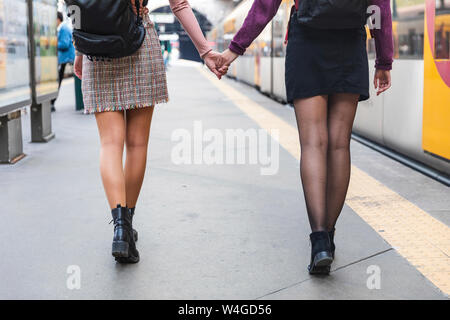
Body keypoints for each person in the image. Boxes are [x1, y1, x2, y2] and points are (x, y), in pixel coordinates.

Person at [218, 0, 393, 274]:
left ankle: (319, 239)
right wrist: (384, 59)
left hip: (307, 40)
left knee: (313, 143)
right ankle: (329, 236)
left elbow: (266, 4)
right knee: (338, 145)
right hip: (350, 41)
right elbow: (379, 5)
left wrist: (234, 50)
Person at [73, 0, 227, 264]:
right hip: (139, 40)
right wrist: (204, 51)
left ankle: (120, 228)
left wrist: (80, 51)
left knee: (110, 144)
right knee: (136, 145)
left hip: (95, 51)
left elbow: (82, 10)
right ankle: (126, 228)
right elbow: (179, 5)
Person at [52, 11, 75, 112]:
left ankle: (52, 101)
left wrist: (53, 43)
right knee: (58, 79)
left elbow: (65, 44)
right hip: (64, 58)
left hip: (65, 58)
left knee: (58, 80)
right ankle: (52, 101)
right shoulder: (62, 28)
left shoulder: (64, 28)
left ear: (58, 19)